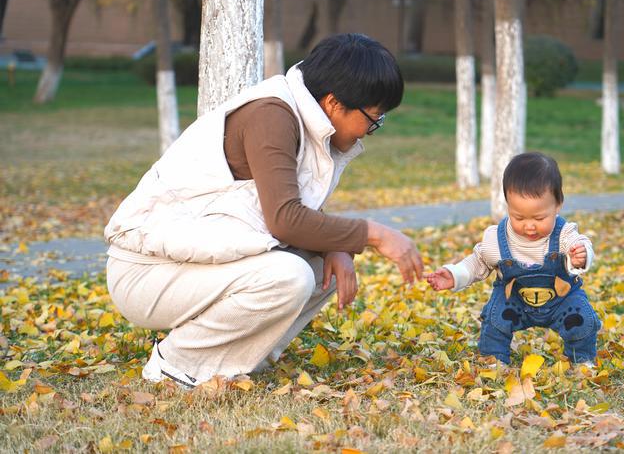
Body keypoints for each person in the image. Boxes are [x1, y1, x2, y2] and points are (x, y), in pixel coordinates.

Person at [104, 33, 424, 388]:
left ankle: (232, 363)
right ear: (334, 103)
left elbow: (287, 213)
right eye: (373, 118)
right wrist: (373, 234)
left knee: (325, 268)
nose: (371, 131)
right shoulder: (271, 116)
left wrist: (334, 246)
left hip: (189, 264)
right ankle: (176, 364)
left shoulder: (306, 122)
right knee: (290, 276)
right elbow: (285, 220)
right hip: (145, 272)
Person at [425, 152, 599, 366]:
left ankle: (581, 360)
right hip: (514, 299)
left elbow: (581, 243)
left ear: (558, 204)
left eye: (539, 218)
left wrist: (581, 255)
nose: (529, 226)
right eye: (519, 217)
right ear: (508, 206)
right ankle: (494, 360)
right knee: (495, 319)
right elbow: (478, 261)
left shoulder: (564, 234)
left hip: (561, 299)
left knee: (582, 319)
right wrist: (455, 275)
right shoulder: (497, 239)